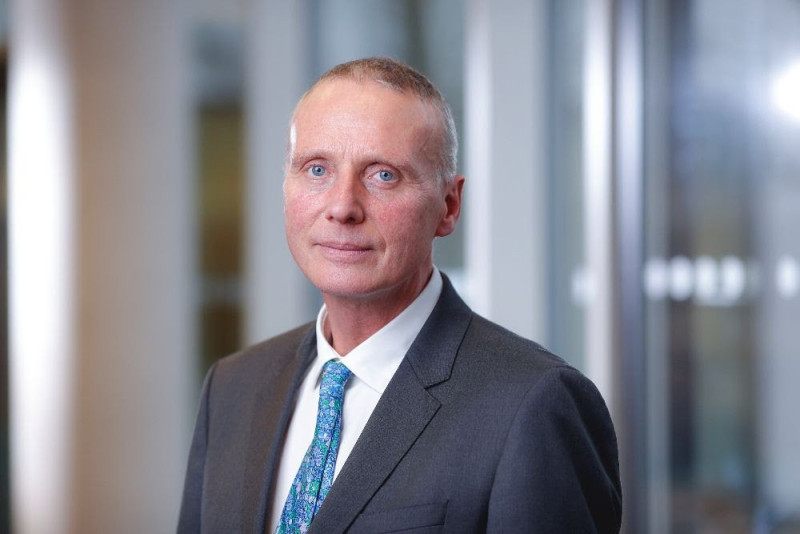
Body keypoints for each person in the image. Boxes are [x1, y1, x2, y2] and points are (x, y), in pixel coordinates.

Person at [178, 57, 622, 533]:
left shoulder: (533, 405)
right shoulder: (233, 387)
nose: (343, 206)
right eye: (317, 169)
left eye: (383, 174)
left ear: (448, 207)